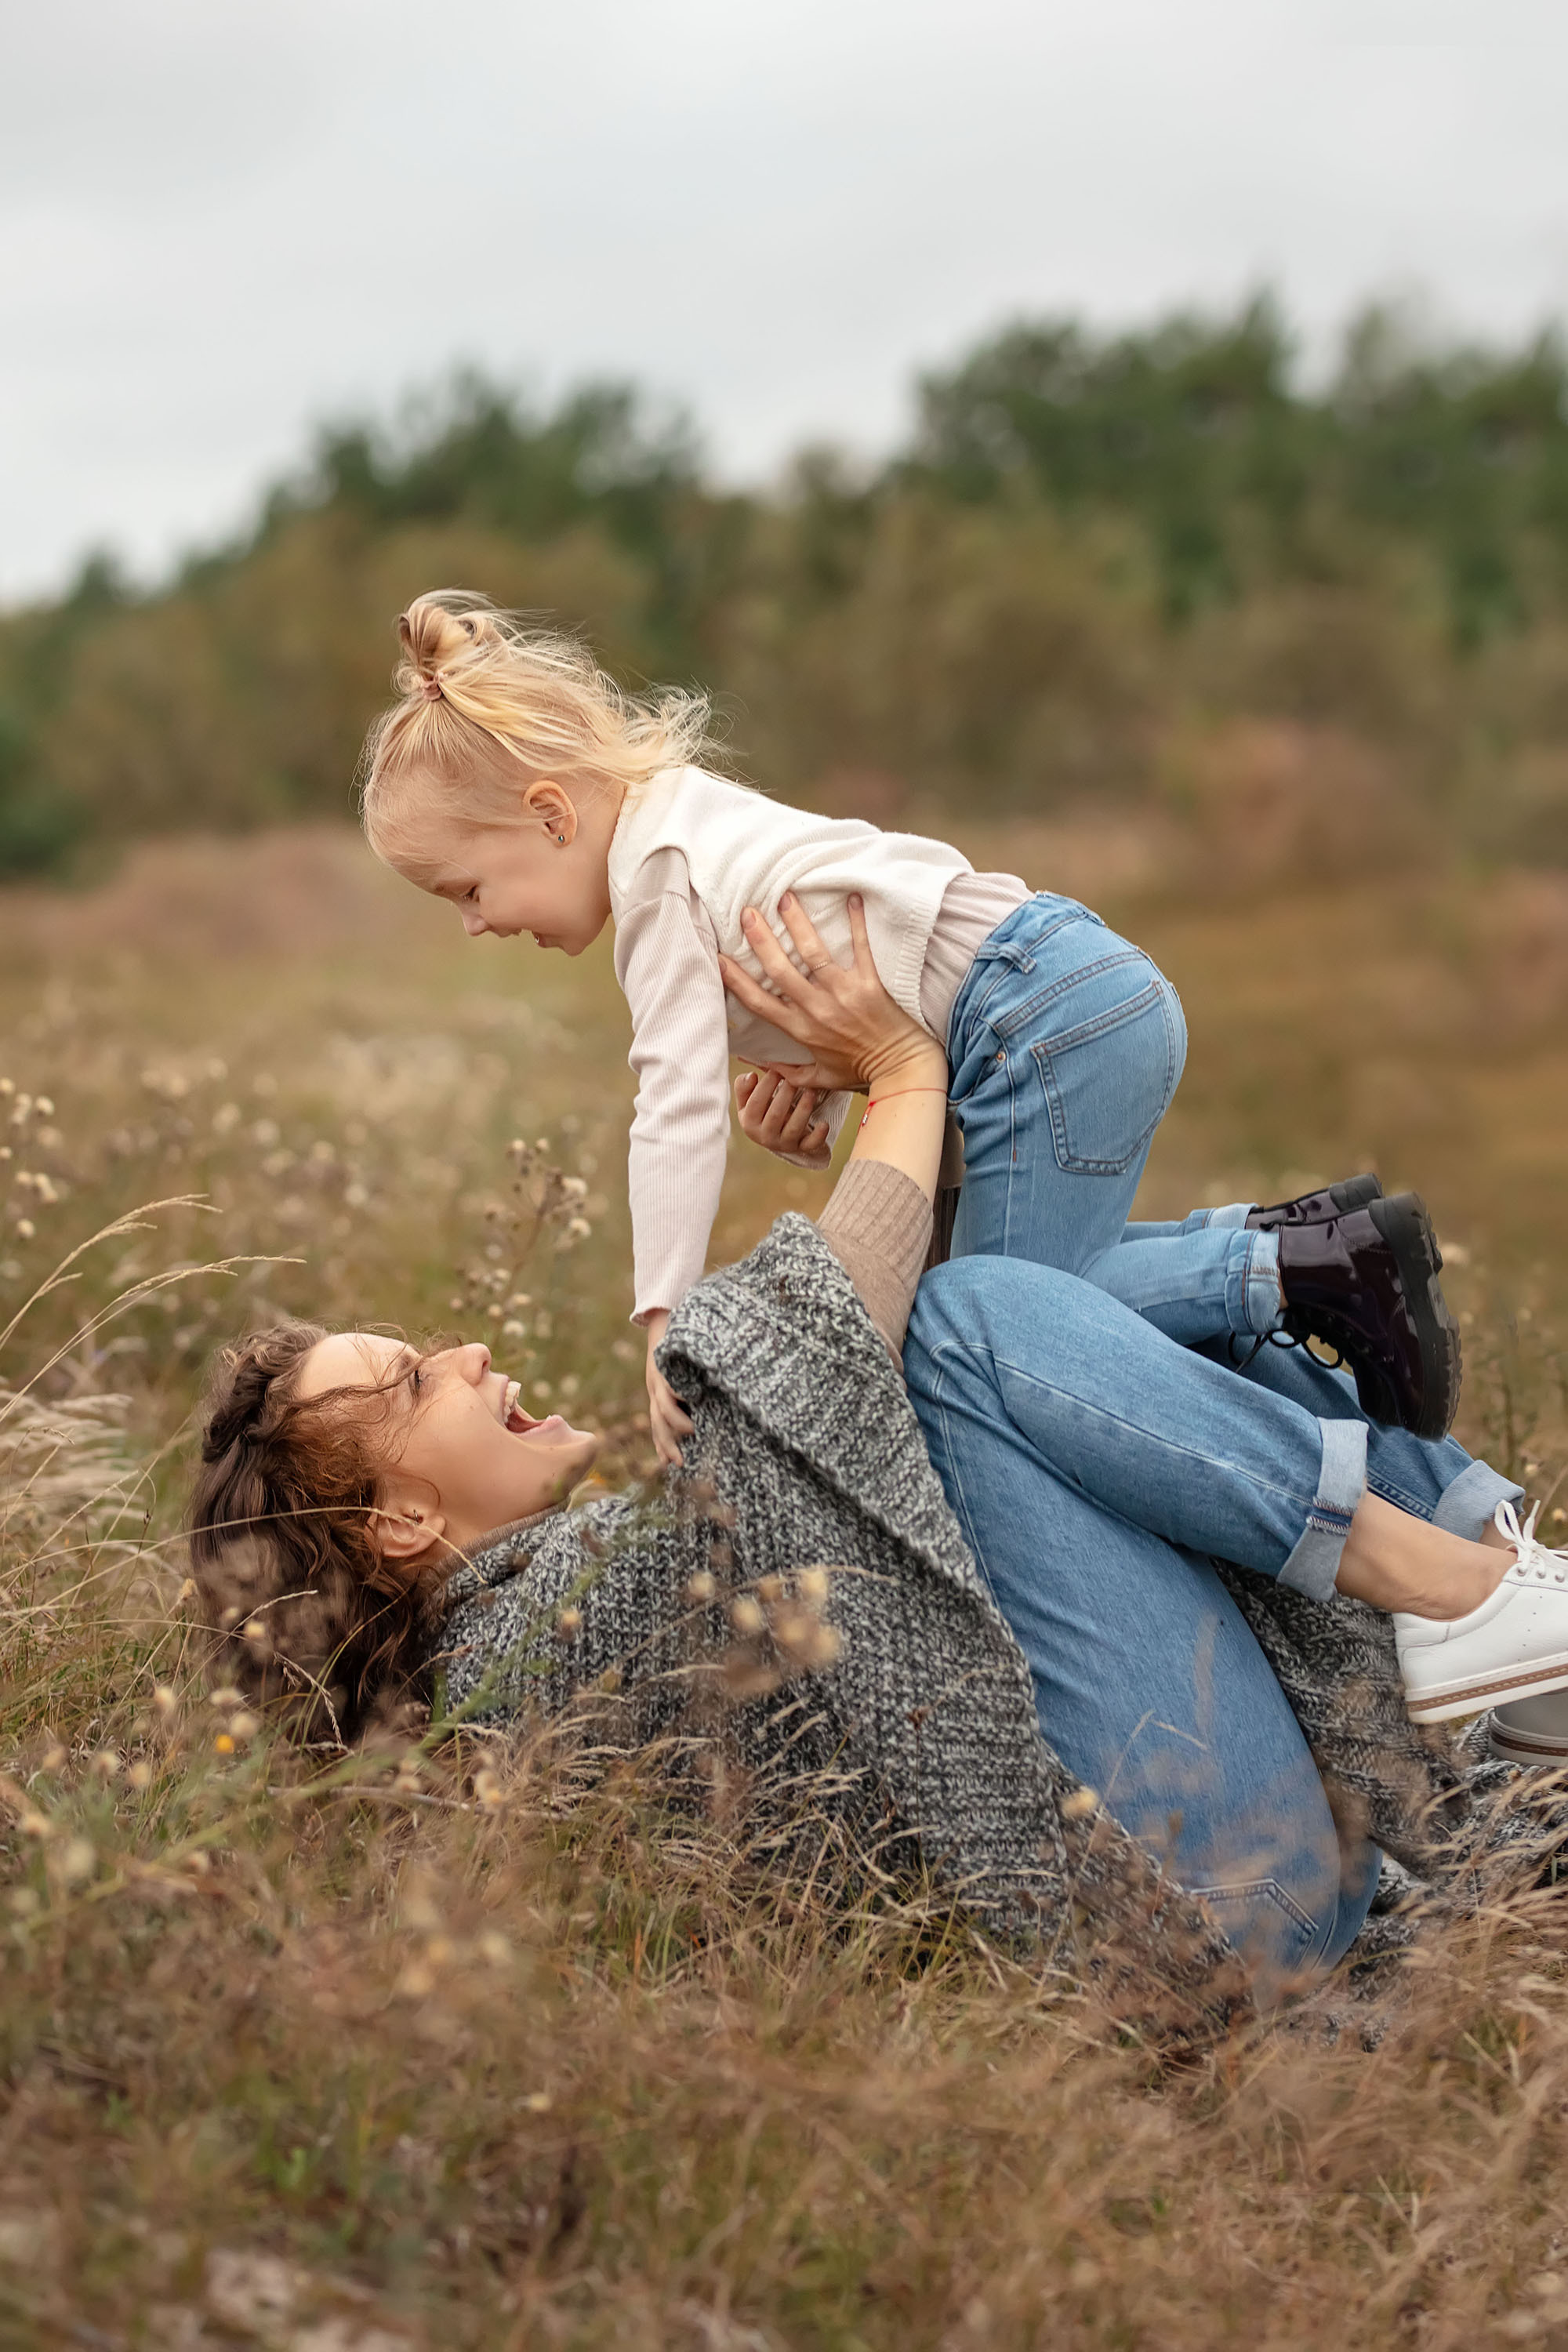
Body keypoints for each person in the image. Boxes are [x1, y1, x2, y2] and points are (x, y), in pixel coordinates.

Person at [190, 898, 1567, 2016]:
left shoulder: (561, 1606)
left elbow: (859, 1393)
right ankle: (1465, 1586)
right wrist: (903, 1072)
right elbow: (811, 1358)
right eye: (414, 1382)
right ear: (399, 1524)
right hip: (1209, 1912)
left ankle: (1501, 1602)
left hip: (1223, 1859)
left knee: (1023, 1320)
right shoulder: (534, 1659)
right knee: (965, 1325)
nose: (469, 1353)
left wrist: (886, 1113)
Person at [357, 591, 1459, 1465]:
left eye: (468, 890)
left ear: (551, 815)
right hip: (1060, 980)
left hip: (1032, 1020)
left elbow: (676, 1108)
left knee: (991, 1332)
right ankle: (1307, 1251)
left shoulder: (653, 880)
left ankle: (1300, 1271)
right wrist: (820, 1090)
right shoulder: (687, 811)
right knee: (996, 1309)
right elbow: (870, 945)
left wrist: (665, 1320)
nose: (475, 926)